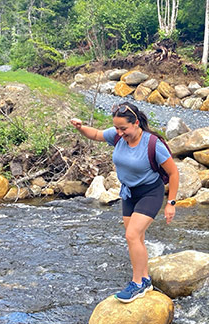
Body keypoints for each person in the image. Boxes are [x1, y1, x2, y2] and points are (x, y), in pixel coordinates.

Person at [69, 102, 180, 303]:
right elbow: (95, 134)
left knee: (132, 235)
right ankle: (145, 279)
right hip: (129, 193)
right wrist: (80, 127)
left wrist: (171, 202)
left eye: (123, 128)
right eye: (117, 128)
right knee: (135, 238)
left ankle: (137, 283)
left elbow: (173, 173)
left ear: (136, 123)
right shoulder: (117, 135)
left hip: (150, 193)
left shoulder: (153, 144)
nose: (119, 133)